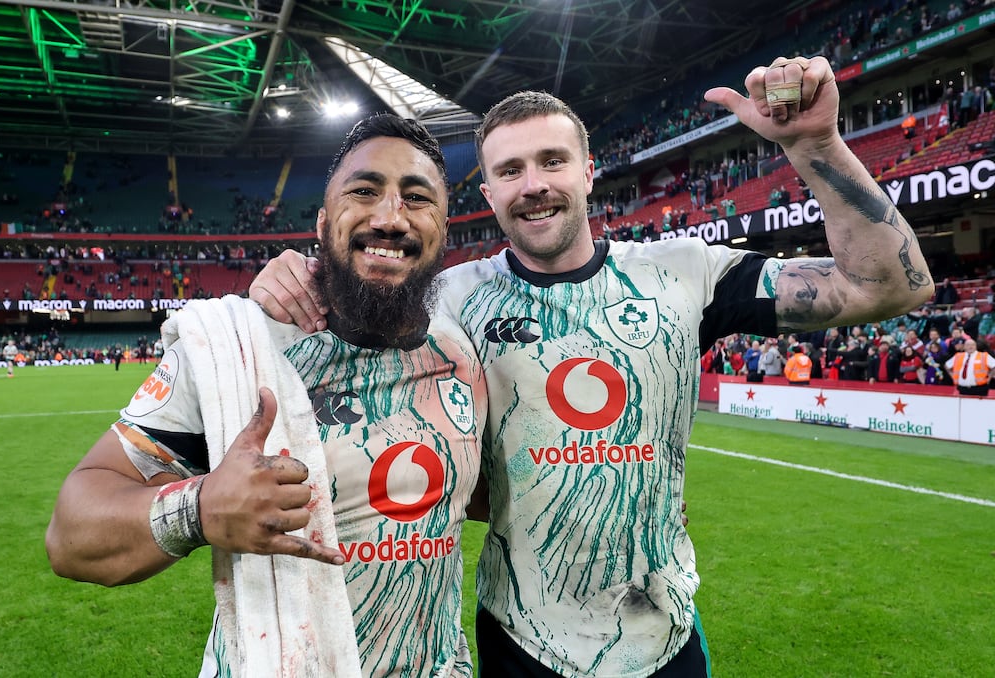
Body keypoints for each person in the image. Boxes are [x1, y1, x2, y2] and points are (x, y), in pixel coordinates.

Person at [252, 55, 934, 677]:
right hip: (522, 639)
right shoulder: (448, 301)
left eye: (552, 161)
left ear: (587, 171)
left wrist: (816, 146)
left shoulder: (684, 273)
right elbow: (355, 297)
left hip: (662, 633)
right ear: (488, 193)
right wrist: (294, 275)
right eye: (510, 171)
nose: (533, 185)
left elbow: (887, 287)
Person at [46, 114, 487, 677]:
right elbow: (70, 535)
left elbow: (484, 496)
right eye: (364, 191)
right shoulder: (235, 348)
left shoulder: (462, 350)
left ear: (443, 230)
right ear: (322, 222)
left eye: (417, 198)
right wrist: (199, 509)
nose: (389, 217)